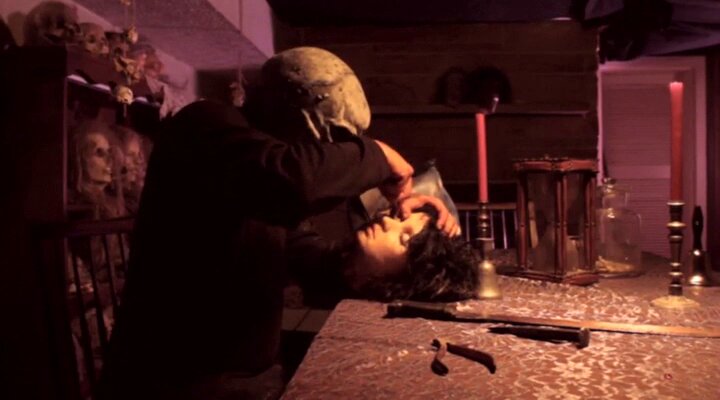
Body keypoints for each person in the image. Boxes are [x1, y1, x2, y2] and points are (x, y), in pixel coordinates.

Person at [98, 96, 420, 399]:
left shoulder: (263, 181)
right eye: (331, 136)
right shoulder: (206, 126)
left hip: (244, 381)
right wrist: (377, 155)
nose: (328, 150)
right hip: (173, 383)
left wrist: (387, 259)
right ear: (300, 111)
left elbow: (308, 257)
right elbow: (295, 181)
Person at [289, 203, 478, 305]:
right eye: (398, 218)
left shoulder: (355, 321)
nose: (387, 221)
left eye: (404, 238)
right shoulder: (318, 262)